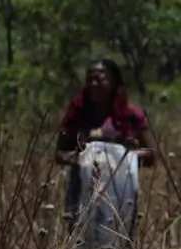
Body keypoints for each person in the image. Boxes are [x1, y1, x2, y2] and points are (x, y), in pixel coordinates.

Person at [55, 58, 157, 235]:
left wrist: (119, 156)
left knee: (118, 237)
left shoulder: (132, 115)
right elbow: (59, 153)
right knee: (80, 240)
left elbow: (151, 155)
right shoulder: (77, 114)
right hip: (81, 188)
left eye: (100, 79)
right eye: (89, 79)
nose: (94, 84)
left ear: (114, 81)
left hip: (120, 191)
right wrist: (80, 158)